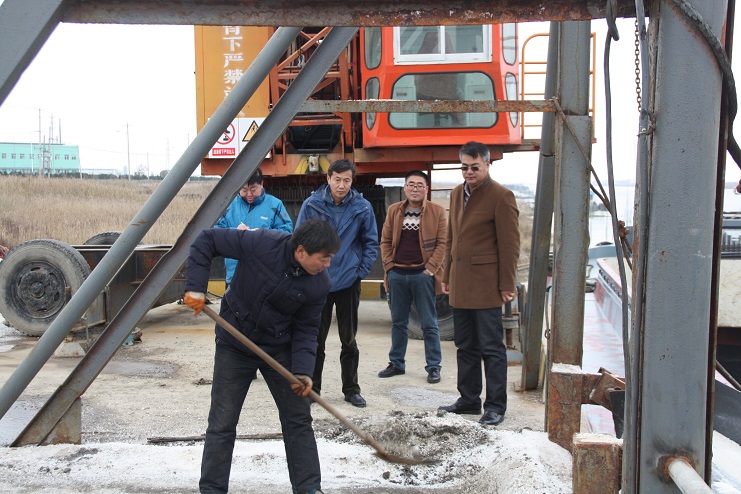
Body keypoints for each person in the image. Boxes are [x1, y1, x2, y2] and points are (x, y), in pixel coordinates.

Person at [183, 218, 341, 494]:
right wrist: (196, 286)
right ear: (301, 251)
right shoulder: (261, 244)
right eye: (324, 258)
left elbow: (307, 329)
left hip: (279, 348)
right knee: (222, 422)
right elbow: (207, 240)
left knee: (298, 419)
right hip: (235, 341)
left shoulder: (319, 284)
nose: (327, 264)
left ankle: (309, 488)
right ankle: (212, 489)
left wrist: (303, 371)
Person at [438, 141, 520, 427]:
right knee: (465, 345)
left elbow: (510, 246)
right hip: (460, 283)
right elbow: (451, 237)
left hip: (486, 286)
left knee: (492, 348)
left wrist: (507, 284)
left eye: (474, 167)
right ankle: (469, 399)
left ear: (487, 165)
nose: (469, 172)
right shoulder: (456, 193)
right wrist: (446, 275)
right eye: (464, 167)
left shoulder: (501, 196)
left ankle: (495, 406)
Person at [295, 159, 379, 408]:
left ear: (352, 181)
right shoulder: (312, 205)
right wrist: (307, 271)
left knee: (349, 339)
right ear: (328, 179)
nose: (342, 185)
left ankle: (351, 389)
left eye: (347, 180)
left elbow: (370, 242)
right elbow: (299, 238)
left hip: (348, 281)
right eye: (337, 180)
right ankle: (314, 389)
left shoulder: (362, 207)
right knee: (315, 339)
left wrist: (360, 272)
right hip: (318, 279)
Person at [378, 170, 447, 384]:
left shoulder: (437, 211)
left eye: (419, 185)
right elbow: (385, 241)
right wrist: (390, 268)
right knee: (399, 323)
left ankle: (433, 367)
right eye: (411, 184)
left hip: (422, 275)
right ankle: (396, 363)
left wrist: (430, 269)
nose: (415, 188)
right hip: (398, 274)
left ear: (426, 189)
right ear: (405, 187)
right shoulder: (394, 210)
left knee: (429, 323)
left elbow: (442, 243)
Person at [214, 167, 293, 285]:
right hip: (235, 276)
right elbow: (215, 232)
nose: (249, 194)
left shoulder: (275, 204)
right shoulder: (229, 205)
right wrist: (235, 232)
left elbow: (287, 232)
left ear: (261, 184)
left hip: (266, 276)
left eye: (253, 189)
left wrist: (264, 234)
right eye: (244, 190)